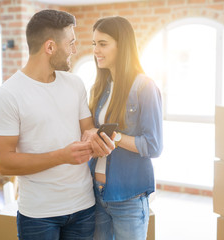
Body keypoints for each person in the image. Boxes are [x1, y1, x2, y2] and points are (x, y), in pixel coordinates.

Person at [0, 9, 113, 240]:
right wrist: (61, 156)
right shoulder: (7, 96)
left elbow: (87, 130)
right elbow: (5, 163)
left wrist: (97, 139)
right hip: (39, 215)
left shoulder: (74, 84)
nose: (75, 50)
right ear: (50, 47)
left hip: (83, 207)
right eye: (71, 43)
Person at [88, 16, 163, 240]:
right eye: (94, 44)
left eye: (103, 44)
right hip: (96, 195)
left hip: (128, 199)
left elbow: (153, 146)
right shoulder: (100, 87)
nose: (96, 51)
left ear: (123, 46)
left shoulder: (145, 87)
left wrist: (115, 137)